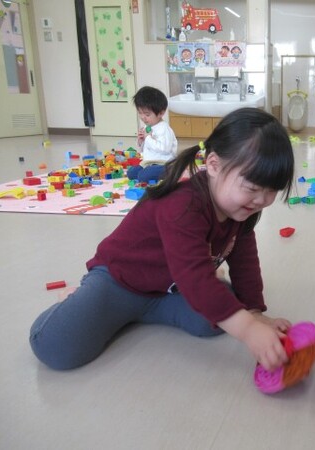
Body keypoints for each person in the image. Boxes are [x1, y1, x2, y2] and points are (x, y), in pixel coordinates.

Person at [30, 108, 295, 373]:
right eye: (252, 188)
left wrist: (254, 313)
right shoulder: (183, 204)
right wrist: (248, 330)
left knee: (221, 312)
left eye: (272, 191)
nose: (262, 200)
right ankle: (76, 298)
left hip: (170, 289)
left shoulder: (243, 207)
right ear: (214, 165)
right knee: (55, 346)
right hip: (119, 281)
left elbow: (245, 262)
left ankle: (151, 308)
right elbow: (195, 277)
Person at [127, 86, 178, 183]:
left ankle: (172, 171)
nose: (143, 117)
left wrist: (148, 138)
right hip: (149, 163)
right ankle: (148, 172)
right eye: (140, 113)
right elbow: (146, 150)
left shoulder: (164, 129)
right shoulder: (148, 126)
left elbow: (164, 149)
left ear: (161, 113)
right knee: (131, 173)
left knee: (143, 176)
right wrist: (141, 141)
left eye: (147, 114)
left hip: (163, 163)